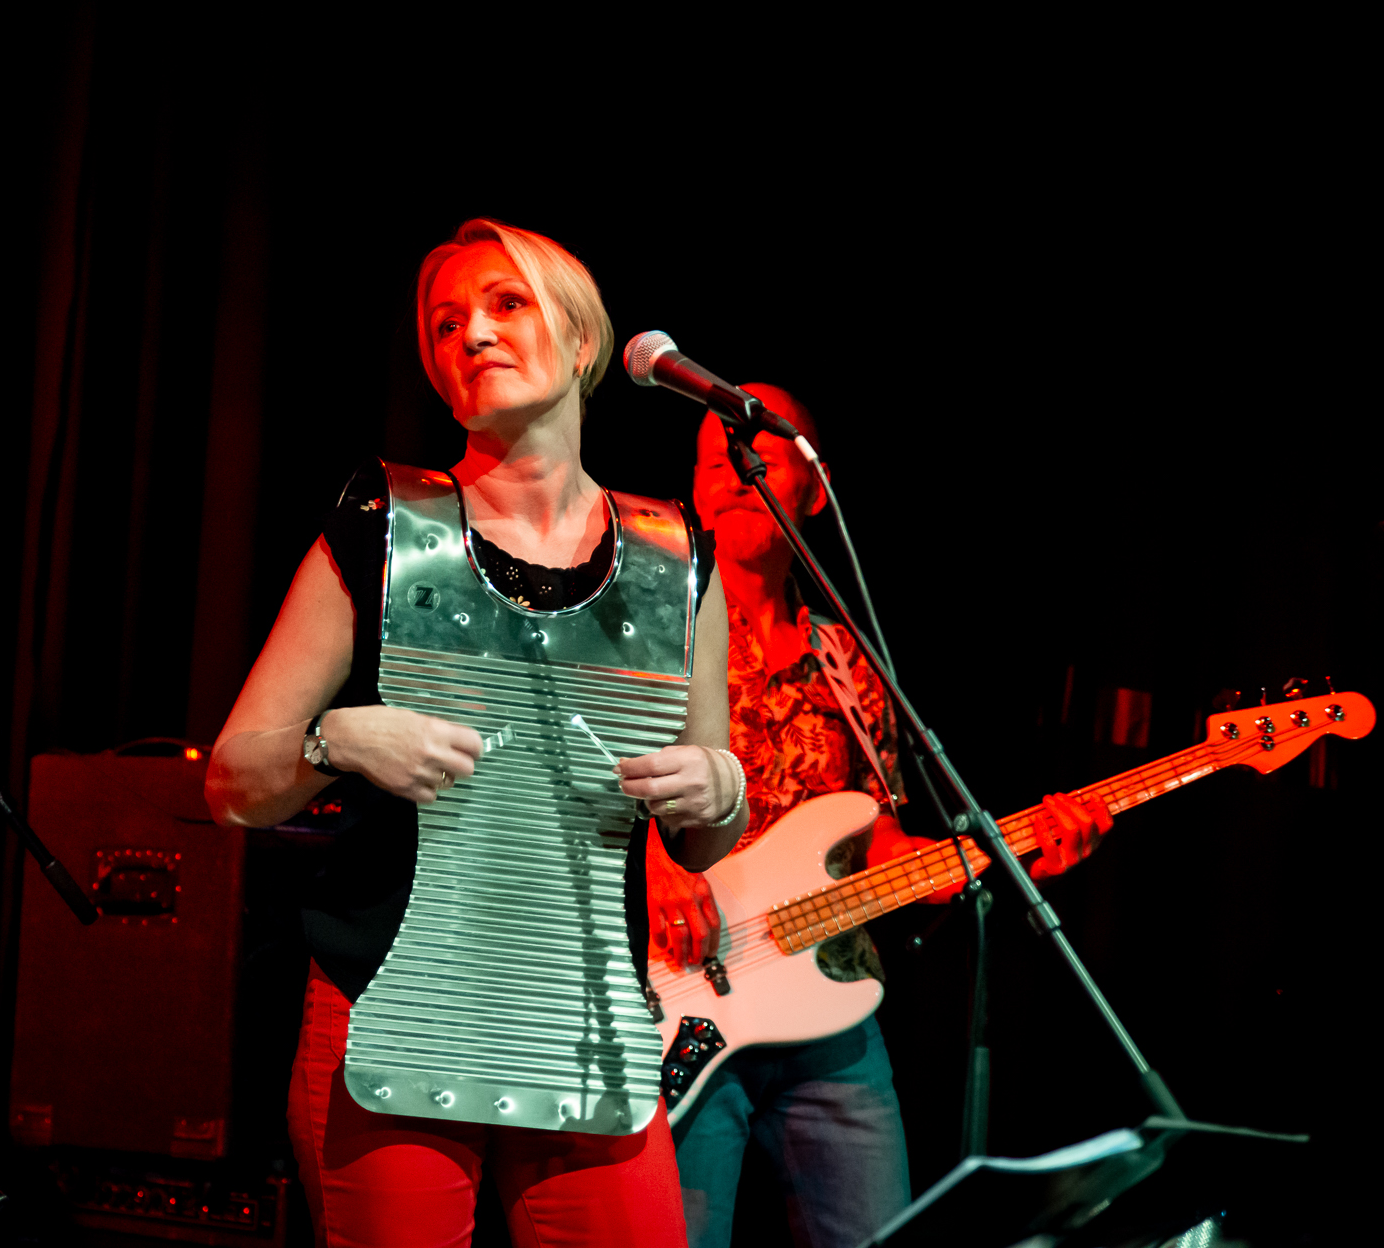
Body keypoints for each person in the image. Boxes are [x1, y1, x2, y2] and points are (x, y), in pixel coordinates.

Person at [207, 219, 746, 1248]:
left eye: (506, 304)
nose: (473, 334)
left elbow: (702, 837)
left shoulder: (675, 557)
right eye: (446, 323)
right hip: (393, 1016)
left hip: (586, 1029)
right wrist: (336, 741)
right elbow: (231, 780)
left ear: (581, 341)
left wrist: (721, 788)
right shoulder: (382, 527)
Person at [648, 393, 1112, 1248]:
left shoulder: (846, 655)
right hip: (680, 990)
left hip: (832, 1001)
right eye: (714, 458)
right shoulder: (654, 627)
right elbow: (588, 775)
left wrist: (1008, 857)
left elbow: (876, 840)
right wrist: (657, 864)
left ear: (813, 485)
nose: (732, 472)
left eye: (755, 455)